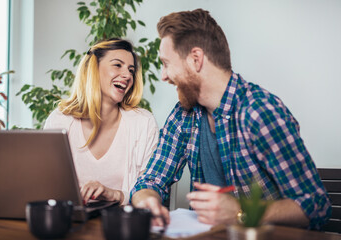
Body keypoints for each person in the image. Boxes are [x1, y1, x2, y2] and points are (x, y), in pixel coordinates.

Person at [130, 9, 331, 229]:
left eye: (167, 63)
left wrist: (240, 211)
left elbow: (315, 206)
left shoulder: (259, 111)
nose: (164, 76)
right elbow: (150, 181)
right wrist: (146, 201)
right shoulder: (183, 115)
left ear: (195, 59)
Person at [44, 38, 159, 205]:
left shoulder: (143, 123)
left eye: (131, 70)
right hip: (69, 223)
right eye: (117, 65)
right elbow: (46, 184)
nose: (127, 75)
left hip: (121, 223)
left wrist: (115, 194)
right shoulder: (59, 121)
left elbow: (150, 188)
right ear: (93, 69)